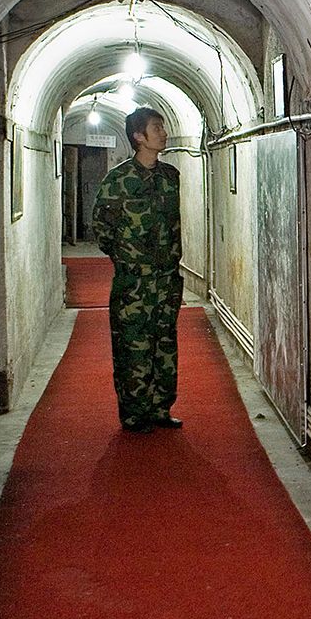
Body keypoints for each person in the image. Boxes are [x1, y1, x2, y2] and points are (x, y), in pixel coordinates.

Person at [90, 106, 184, 431]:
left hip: (167, 282)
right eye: (156, 128)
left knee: (165, 345)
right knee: (133, 347)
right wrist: (127, 259)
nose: (164, 133)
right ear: (138, 137)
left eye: (163, 127)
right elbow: (102, 228)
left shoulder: (170, 177)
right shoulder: (118, 181)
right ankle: (133, 413)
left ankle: (160, 408)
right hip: (133, 284)